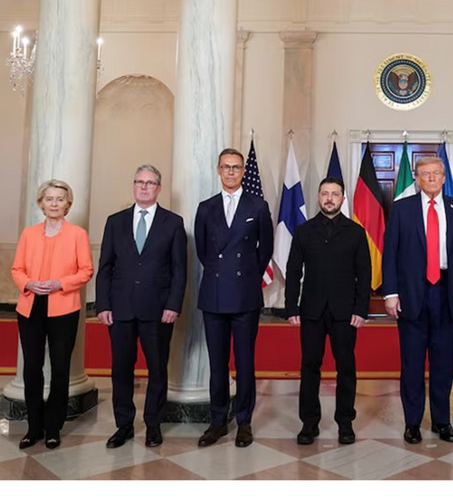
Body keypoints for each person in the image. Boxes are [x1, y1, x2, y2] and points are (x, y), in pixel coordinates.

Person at [383, 155, 453, 444]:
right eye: (425, 174)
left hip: (447, 292)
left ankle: (441, 421)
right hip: (412, 293)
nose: (431, 178)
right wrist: (391, 293)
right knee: (411, 364)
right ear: (417, 179)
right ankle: (412, 422)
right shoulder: (401, 209)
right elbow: (390, 253)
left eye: (436, 173)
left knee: (443, 363)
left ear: (444, 178)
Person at [96, 165, 187, 449]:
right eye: (139, 182)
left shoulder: (173, 222)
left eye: (150, 183)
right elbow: (105, 267)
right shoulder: (115, 221)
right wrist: (102, 304)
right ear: (134, 186)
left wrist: (173, 304)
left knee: (157, 369)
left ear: (159, 188)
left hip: (158, 310)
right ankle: (123, 425)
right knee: (121, 369)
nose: (144, 187)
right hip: (120, 308)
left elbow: (179, 269)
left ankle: (153, 424)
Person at [194, 148, 274, 448]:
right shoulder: (206, 208)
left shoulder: (258, 206)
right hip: (214, 294)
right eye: (226, 167)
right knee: (217, 364)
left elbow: (265, 249)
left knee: (245, 362)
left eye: (236, 167)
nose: (231, 172)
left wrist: (246, 275)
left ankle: (244, 421)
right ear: (218, 170)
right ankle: (217, 421)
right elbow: (203, 251)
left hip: (245, 295)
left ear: (243, 171)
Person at [285, 177, 371, 446]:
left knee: (346, 367)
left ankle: (345, 423)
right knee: (309, 366)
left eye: (335, 194)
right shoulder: (304, 231)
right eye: (325, 193)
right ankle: (309, 424)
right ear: (318, 197)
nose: (330, 198)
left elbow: (364, 274)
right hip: (311, 310)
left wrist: (361, 309)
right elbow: (293, 271)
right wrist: (291, 306)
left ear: (343, 199)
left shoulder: (355, 232)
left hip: (345, 312)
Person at [11, 180, 93, 450]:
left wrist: (60, 283)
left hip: (64, 308)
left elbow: (86, 270)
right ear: (41, 203)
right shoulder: (29, 234)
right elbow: (16, 269)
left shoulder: (77, 234)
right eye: (49, 199)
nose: (54, 204)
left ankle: (53, 428)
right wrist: (28, 283)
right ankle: (34, 427)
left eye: (59, 199)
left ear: (68, 204)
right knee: (32, 368)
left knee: (60, 369)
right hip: (30, 306)